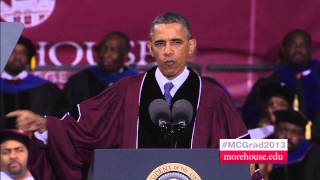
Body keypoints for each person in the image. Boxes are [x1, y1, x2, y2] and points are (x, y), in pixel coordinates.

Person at [7, 12, 249, 179]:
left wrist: (274, 149)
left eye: (176, 42)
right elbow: (84, 131)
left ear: (191, 46)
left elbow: (241, 147)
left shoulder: (212, 96)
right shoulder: (127, 91)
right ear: (150, 48)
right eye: (160, 43)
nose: (168, 51)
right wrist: (46, 124)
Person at [242, 29, 320, 129]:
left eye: (303, 45)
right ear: (283, 50)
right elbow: (250, 116)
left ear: (310, 50)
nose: (298, 49)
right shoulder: (267, 84)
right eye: (293, 45)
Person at [0, 36, 66, 127]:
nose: (18, 57)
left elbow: (57, 119)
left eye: (23, 53)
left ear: (28, 58)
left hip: (35, 140)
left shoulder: (47, 89)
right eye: (12, 52)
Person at [63, 31, 139, 108]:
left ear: (125, 55)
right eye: (103, 48)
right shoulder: (79, 81)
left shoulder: (136, 83)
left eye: (113, 50)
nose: (106, 54)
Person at [265, 110, 320, 180]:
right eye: (283, 129)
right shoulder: (262, 152)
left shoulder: (315, 155)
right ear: (275, 131)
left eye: (294, 132)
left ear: (302, 136)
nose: (288, 136)